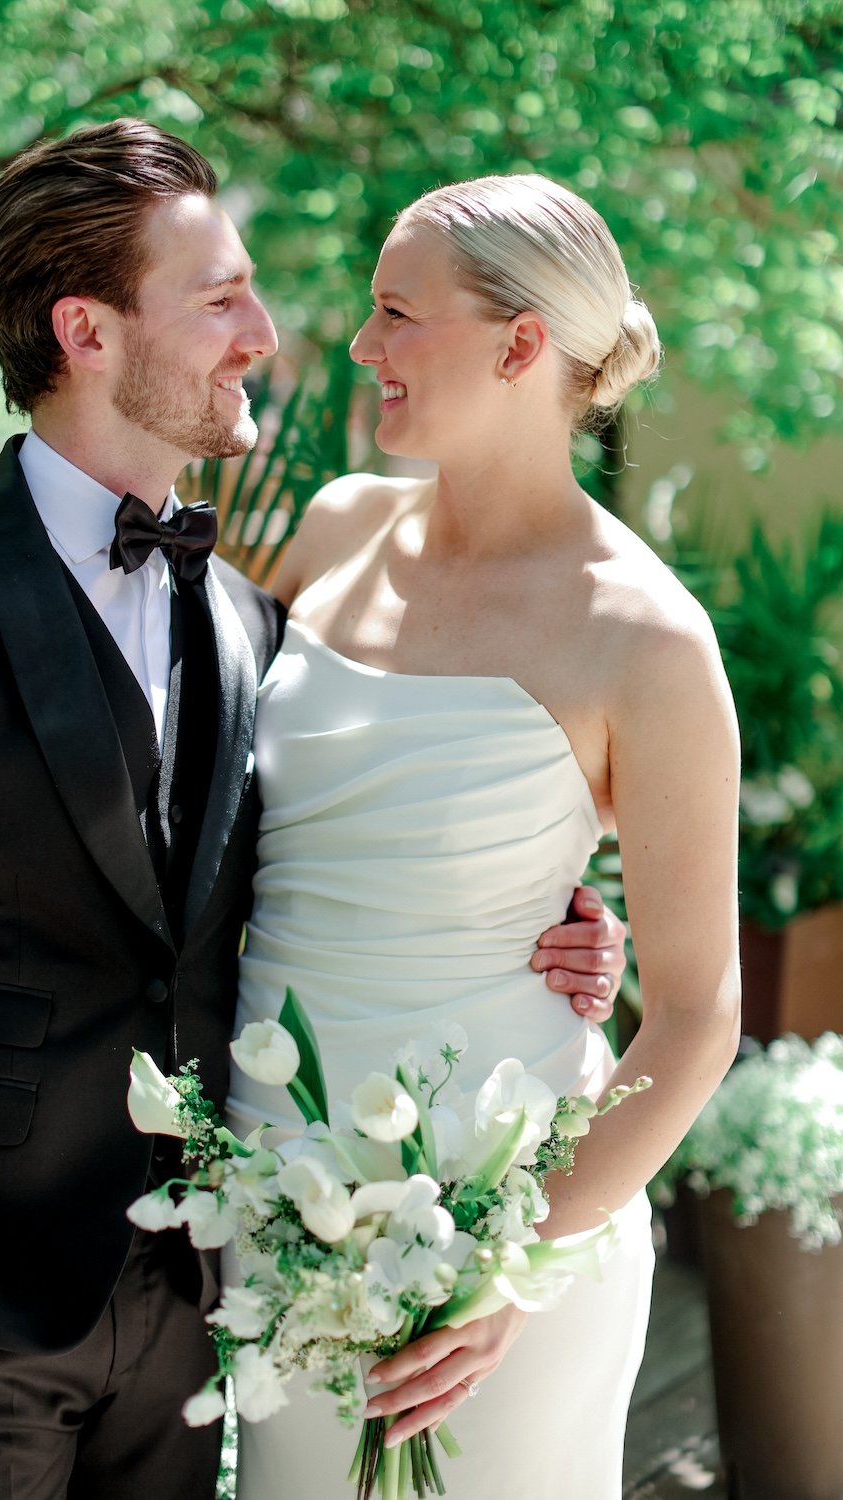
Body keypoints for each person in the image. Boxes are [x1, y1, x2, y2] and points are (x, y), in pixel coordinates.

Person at [0, 122, 622, 1499]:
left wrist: (544, 925)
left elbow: (308, 858)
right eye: (217, 298)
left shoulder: (252, 617)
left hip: (206, 1303)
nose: (261, 334)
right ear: (85, 330)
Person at [227, 173, 741, 1499]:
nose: (358, 345)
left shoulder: (644, 636)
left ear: (522, 347)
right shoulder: (338, 528)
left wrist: (511, 1265)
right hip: (266, 1211)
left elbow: (694, 1019)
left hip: (492, 1236)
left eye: (398, 314)